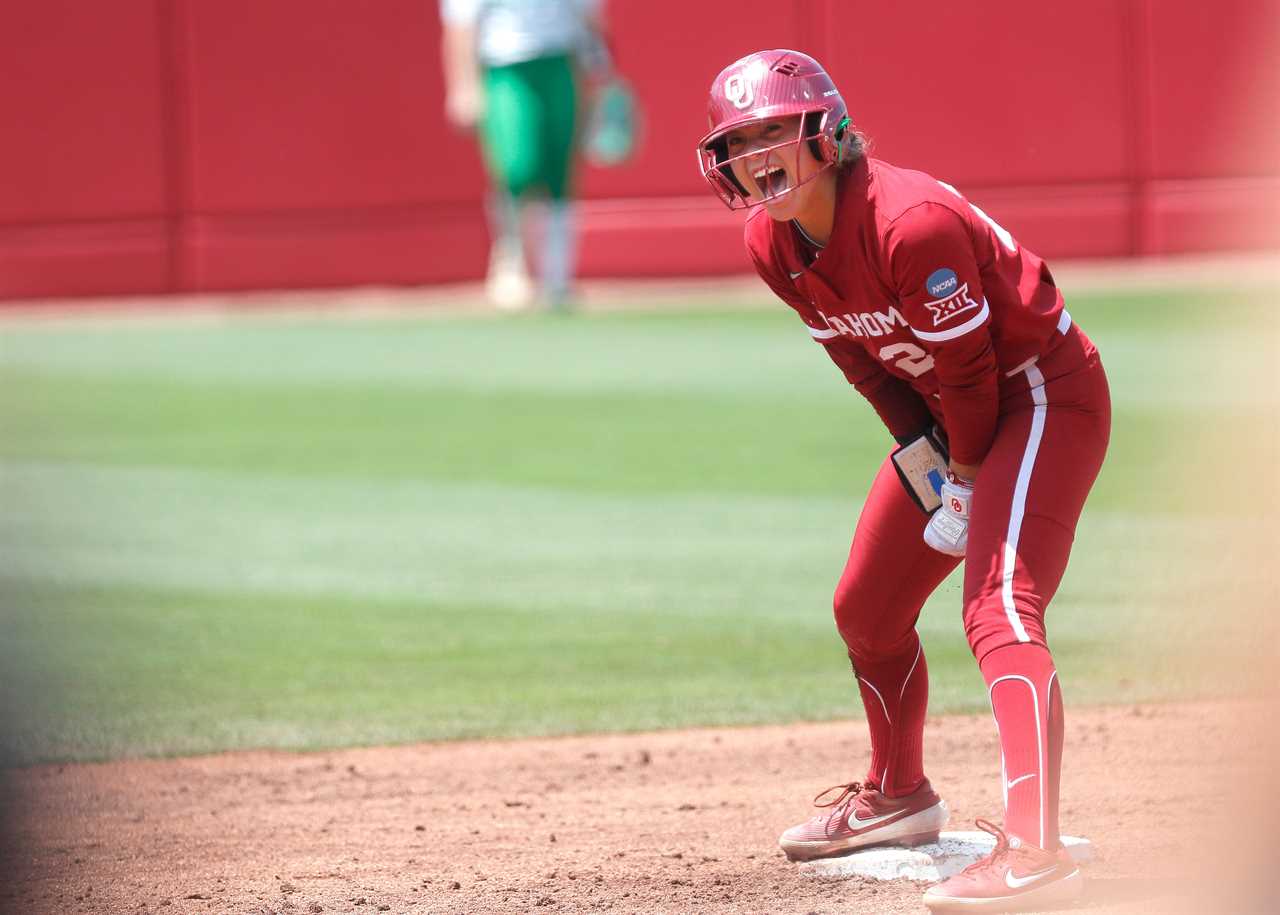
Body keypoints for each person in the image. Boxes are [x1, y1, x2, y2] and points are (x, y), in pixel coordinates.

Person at [696, 50, 1110, 913]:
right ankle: (900, 794)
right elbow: (864, 363)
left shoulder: (909, 222)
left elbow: (972, 372)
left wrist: (963, 476)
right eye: (737, 140)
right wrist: (927, 459)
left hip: (1040, 395)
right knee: (866, 609)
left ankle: (1033, 850)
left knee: (997, 605)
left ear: (826, 132)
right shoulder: (770, 242)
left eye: (774, 129)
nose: (755, 153)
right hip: (948, 415)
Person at [439, 0, 608, 310]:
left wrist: (602, 73)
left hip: (560, 63)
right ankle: (510, 265)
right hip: (505, 67)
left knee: (560, 170)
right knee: (516, 166)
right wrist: (463, 86)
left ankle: (558, 277)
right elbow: (460, 24)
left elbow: (588, 16)